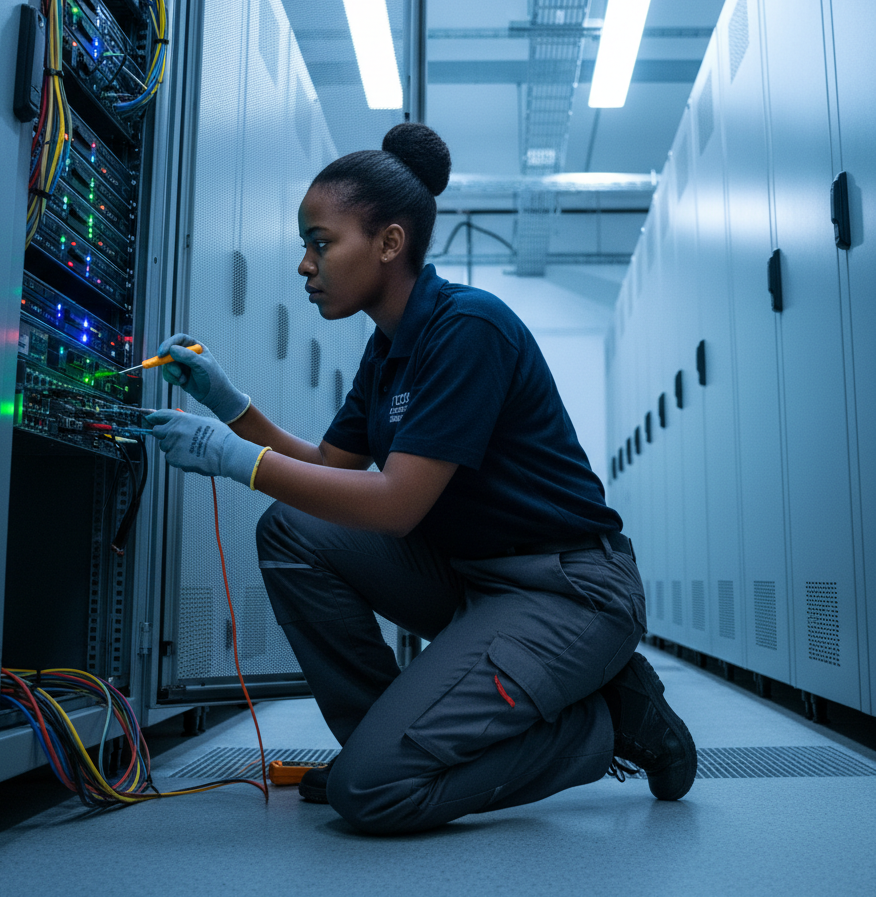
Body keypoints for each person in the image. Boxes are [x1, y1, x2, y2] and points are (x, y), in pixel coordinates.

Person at [145, 123, 697, 836]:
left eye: (320, 242)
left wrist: (231, 459)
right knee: (290, 528)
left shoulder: (469, 329)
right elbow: (325, 473)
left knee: (371, 796)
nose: (305, 265)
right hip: (476, 582)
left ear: (389, 243)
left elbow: (398, 506)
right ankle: (382, 746)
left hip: (569, 592)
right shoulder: (388, 351)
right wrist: (229, 406)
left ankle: (607, 722)